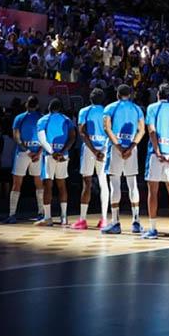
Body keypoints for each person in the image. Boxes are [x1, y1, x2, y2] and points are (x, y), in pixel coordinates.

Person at [102, 84, 146, 234]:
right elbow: (142, 130)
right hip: (131, 149)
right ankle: (136, 222)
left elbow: (107, 128)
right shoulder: (137, 109)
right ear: (130, 94)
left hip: (115, 148)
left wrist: (119, 147)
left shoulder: (110, 108)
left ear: (117, 94)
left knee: (115, 185)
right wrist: (131, 147)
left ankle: (115, 223)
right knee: (132, 184)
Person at [143, 83, 169, 239]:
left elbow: (151, 130)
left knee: (153, 191)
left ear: (158, 94)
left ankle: (152, 229)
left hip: (155, 154)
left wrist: (158, 151)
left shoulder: (152, 108)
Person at [3, 96, 43, 223]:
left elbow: (16, 137)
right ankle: (41, 213)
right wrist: (38, 152)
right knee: (39, 183)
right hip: (36, 153)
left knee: (17, 183)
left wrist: (28, 151)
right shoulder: (42, 118)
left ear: (26, 104)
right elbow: (46, 137)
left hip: (24, 153)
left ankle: (12, 214)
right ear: (37, 105)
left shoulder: (19, 118)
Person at [35, 99, 75, 226]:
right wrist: (63, 152)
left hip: (49, 155)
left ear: (49, 108)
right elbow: (72, 137)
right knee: (62, 185)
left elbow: (42, 139)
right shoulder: (67, 120)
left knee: (48, 185)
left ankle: (48, 217)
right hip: (63, 156)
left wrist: (52, 152)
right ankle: (64, 217)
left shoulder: (43, 120)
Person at [74, 89, 109, 230]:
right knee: (103, 182)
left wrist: (94, 151)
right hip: (104, 149)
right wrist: (103, 149)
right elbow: (110, 131)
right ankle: (104, 219)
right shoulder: (107, 111)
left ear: (90, 98)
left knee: (87, 182)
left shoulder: (84, 111)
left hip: (89, 149)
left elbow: (82, 132)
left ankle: (82, 220)